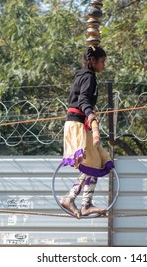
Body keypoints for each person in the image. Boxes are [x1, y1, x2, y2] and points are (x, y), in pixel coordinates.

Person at [60, 46, 114, 218]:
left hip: (78, 124)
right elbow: (83, 99)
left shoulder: (83, 75)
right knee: (93, 162)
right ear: (93, 60)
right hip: (78, 124)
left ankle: (84, 203)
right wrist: (91, 115)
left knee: (98, 161)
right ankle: (74, 199)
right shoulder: (89, 77)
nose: (103, 65)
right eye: (102, 61)